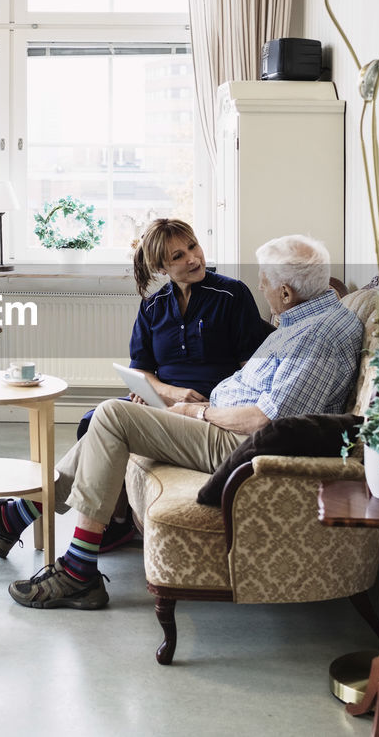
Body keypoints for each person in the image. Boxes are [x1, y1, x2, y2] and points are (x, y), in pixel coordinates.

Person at [0, 234, 363, 609]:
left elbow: (263, 420)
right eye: (177, 255)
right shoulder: (299, 321)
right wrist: (169, 398)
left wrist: (197, 410)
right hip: (218, 422)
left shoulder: (319, 334)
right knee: (106, 416)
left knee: (112, 415)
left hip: (233, 439)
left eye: (266, 283)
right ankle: (18, 522)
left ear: (287, 292)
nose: (261, 288)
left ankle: (72, 566)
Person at [79, 218, 269, 550]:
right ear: (162, 267)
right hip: (162, 401)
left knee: (107, 420)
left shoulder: (231, 294)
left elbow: (249, 370)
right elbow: (142, 370)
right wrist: (164, 392)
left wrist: (196, 404)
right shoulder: (153, 306)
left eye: (193, 247)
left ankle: (29, 512)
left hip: (208, 408)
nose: (193, 259)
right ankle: (118, 519)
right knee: (91, 420)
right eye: (178, 256)